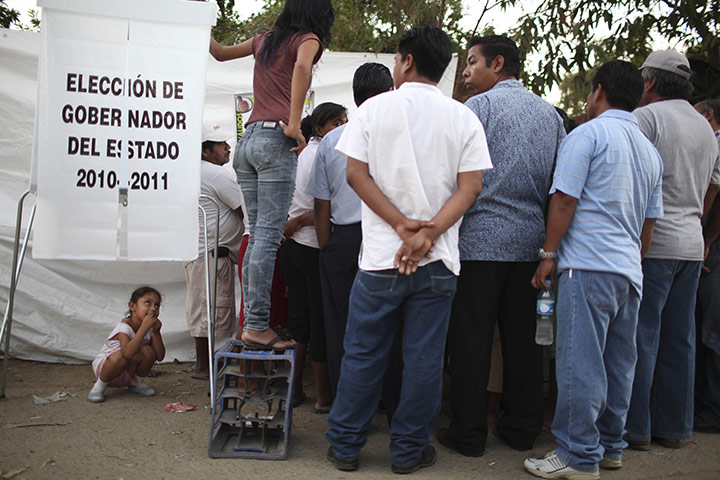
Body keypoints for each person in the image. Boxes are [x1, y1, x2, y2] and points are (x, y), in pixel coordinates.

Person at [325, 26, 492, 474]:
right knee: (423, 358)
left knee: (363, 353)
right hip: (437, 260)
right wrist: (428, 233)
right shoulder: (463, 117)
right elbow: (471, 186)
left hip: (381, 257)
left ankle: (344, 446)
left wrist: (401, 227)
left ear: (407, 61)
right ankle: (407, 452)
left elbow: (356, 176)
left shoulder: (373, 111)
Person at [523, 60, 664, 479]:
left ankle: (577, 455)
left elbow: (564, 199)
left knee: (579, 363)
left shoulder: (587, 134)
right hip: (628, 272)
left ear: (598, 92)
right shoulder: (648, 150)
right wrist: (632, 262)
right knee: (618, 363)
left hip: (586, 266)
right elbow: (649, 224)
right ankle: (608, 446)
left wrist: (548, 254)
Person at [439, 35, 566, 457]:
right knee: (524, 342)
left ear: (497, 64)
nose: (467, 72)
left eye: (472, 63)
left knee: (470, 340)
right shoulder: (550, 115)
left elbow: (456, 178)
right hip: (531, 244)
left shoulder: (477, 109)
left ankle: (469, 434)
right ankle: (521, 430)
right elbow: (556, 187)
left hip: (478, 243)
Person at [209, 0, 335, 351]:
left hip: (247, 140)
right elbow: (302, 70)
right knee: (266, 236)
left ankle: (252, 323)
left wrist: (199, 17)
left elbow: (217, 52)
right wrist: (295, 124)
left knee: (256, 234)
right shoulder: (307, 39)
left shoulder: (263, 39)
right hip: (275, 140)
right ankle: (258, 326)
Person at [625, 50, 720, 450]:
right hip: (690, 243)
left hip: (655, 243)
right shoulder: (703, 125)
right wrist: (699, 228)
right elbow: (714, 186)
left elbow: (629, 177)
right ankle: (675, 428)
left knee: (643, 334)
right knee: (680, 338)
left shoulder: (646, 118)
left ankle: (638, 430)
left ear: (648, 82)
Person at [304, 63, 397, 409]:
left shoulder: (332, 139)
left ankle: (350, 403)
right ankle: (389, 401)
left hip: (343, 239)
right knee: (390, 322)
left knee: (343, 323)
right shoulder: (399, 134)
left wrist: (328, 244)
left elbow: (320, 203)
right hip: (388, 237)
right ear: (390, 91)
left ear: (356, 98)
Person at [279, 102, 347, 412]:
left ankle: (294, 391)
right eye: (336, 121)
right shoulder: (324, 152)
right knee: (320, 322)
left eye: (345, 119)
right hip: (312, 247)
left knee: (299, 320)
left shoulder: (302, 153)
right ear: (319, 128)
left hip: (293, 248)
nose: (343, 125)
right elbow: (323, 206)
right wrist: (305, 222)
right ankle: (324, 396)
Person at [184, 123, 245, 380]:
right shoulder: (214, 174)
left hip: (203, 252)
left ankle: (205, 365)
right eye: (221, 145)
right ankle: (205, 368)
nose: (227, 148)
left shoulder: (194, 172)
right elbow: (245, 209)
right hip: (210, 253)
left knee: (203, 309)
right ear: (206, 151)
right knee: (212, 310)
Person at [88, 287, 166, 403]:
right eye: (148, 303)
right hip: (108, 369)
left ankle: (137, 384)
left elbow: (159, 357)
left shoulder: (151, 328)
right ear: (132, 306)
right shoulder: (124, 326)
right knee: (119, 356)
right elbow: (127, 353)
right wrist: (144, 328)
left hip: (128, 373)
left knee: (148, 351)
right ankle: (99, 387)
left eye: (157, 305)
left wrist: (156, 332)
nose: (153, 309)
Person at [693, 98, 720, 433]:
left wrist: (707, 238)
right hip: (701, 244)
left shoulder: (715, 142)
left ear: (708, 115)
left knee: (711, 332)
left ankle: (712, 411)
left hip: (710, 245)